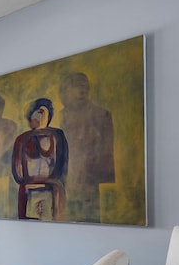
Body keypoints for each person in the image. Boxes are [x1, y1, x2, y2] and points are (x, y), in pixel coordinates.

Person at [58, 72, 115, 223]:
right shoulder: (61, 116)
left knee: (89, 218)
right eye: (77, 86)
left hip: (88, 177)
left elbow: (105, 150)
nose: (82, 90)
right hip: (67, 177)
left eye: (85, 87)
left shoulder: (100, 114)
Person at [12, 98, 68, 220]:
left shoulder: (58, 136)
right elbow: (18, 173)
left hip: (53, 190)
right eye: (38, 113)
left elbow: (61, 167)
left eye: (44, 113)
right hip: (28, 191)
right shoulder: (22, 139)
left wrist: (50, 181)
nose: (40, 117)